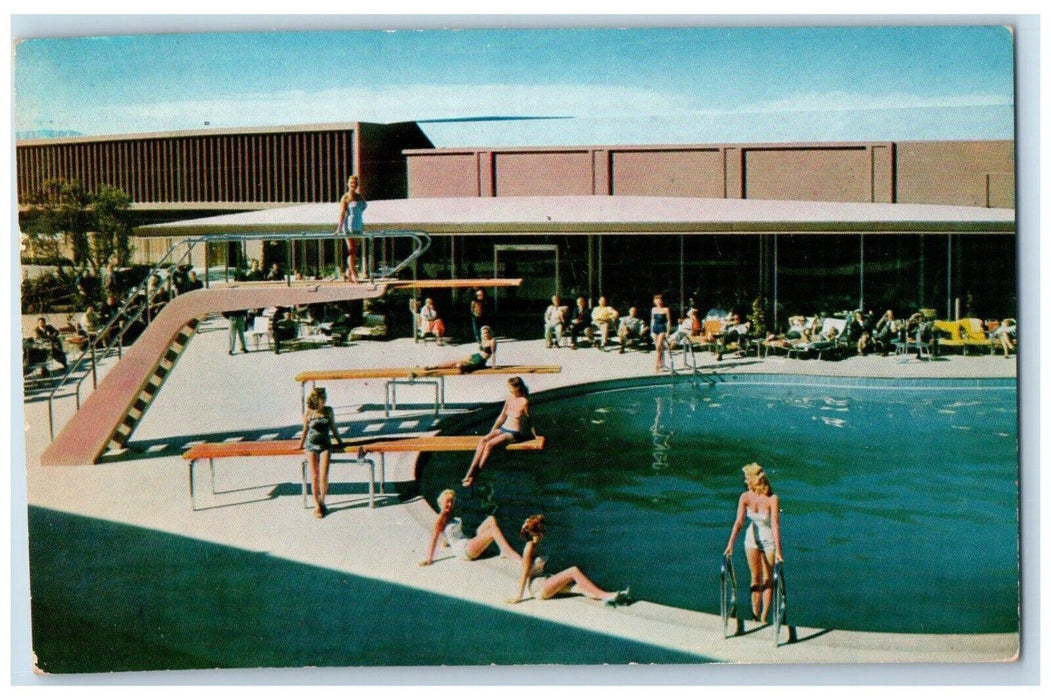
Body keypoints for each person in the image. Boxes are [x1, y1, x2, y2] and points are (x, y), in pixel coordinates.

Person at [506, 514, 630, 607]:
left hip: (543, 580)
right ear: (537, 532)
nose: (544, 531)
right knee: (573, 571)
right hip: (536, 587)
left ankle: (612, 597)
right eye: (542, 528)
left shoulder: (538, 545)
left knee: (580, 588)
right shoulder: (529, 547)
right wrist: (518, 597)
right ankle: (606, 596)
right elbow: (524, 573)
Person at [724, 463, 783, 623]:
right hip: (751, 539)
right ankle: (755, 615)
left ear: (753, 480)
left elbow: (775, 525)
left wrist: (778, 550)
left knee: (767, 579)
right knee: (755, 577)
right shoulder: (745, 497)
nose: (744, 480)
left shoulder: (772, 499)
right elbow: (739, 522)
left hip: (768, 539)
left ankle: (764, 616)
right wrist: (730, 544)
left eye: (747, 477)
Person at [461, 376, 537, 487]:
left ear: (518, 387)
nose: (509, 390)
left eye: (511, 388)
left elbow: (529, 420)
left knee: (489, 445)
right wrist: (492, 431)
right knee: (484, 440)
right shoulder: (509, 398)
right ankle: (470, 471)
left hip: (513, 433)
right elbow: (502, 416)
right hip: (504, 428)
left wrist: (536, 435)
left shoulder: (524, 402)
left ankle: (474, 475)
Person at [419, 489, 522, 566]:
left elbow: (448, 532)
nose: (450, 504)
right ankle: (511, 554)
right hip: (463, 550)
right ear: (441, 503)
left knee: (491, 519)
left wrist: (446, 542)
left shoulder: (449, 514)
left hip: (467, 542)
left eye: (451, 501)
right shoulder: (440, 519)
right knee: (492, 531)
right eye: (447, 502)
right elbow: (434, 538)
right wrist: (429, 559)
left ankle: (503, 549)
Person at [297, 387, 345, 518]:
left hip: (325, 445)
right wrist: (300, 445)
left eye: (325, 398)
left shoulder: (328, 411)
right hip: (311, 445)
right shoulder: (309, 413)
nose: (324, 400)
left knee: (324, 474)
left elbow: (334, 428)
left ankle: (322, 501)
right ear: (315, 399)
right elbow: (305, 430)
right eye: (322, 398)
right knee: (314, 475)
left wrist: (340, 442)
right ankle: (316, 504)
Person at [427, 325, 496, 375]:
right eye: (484, 333)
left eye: (487, 332)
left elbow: (493, 353)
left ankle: (462, 368)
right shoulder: (482, 341)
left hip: (480, 361)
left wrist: (493, 365)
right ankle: (434, 366)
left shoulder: (492, 340)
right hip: (475, 356)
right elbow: (480, 351)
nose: (485, 334)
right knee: (454, 361)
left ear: (490, 332)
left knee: (459, 365)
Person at [337, 175, 367, 283]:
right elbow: (342, 213)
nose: (353, 184)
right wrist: (339, 228)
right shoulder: (345, 197)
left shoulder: (360, 197)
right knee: (351, 250)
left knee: (355, 252)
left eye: (355, 182)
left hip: (358, 225)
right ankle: (354, 275)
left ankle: (347, 273)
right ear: (348, 184)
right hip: (349, 226)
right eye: (351, 182)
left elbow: (362, 208)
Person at [650, 294, 672, 372]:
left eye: (660, 300)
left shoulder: (666, 309)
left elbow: (669, 321)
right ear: (654, 302)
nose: (659, 302)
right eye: (657, 301)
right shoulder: (653, 309)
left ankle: (656, 365)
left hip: (662, 328)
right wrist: (651, 331)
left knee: (659, 346)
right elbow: (652, 320)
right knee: (658, 348)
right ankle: (661, 364)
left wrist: (668, 331)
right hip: (655, 327)